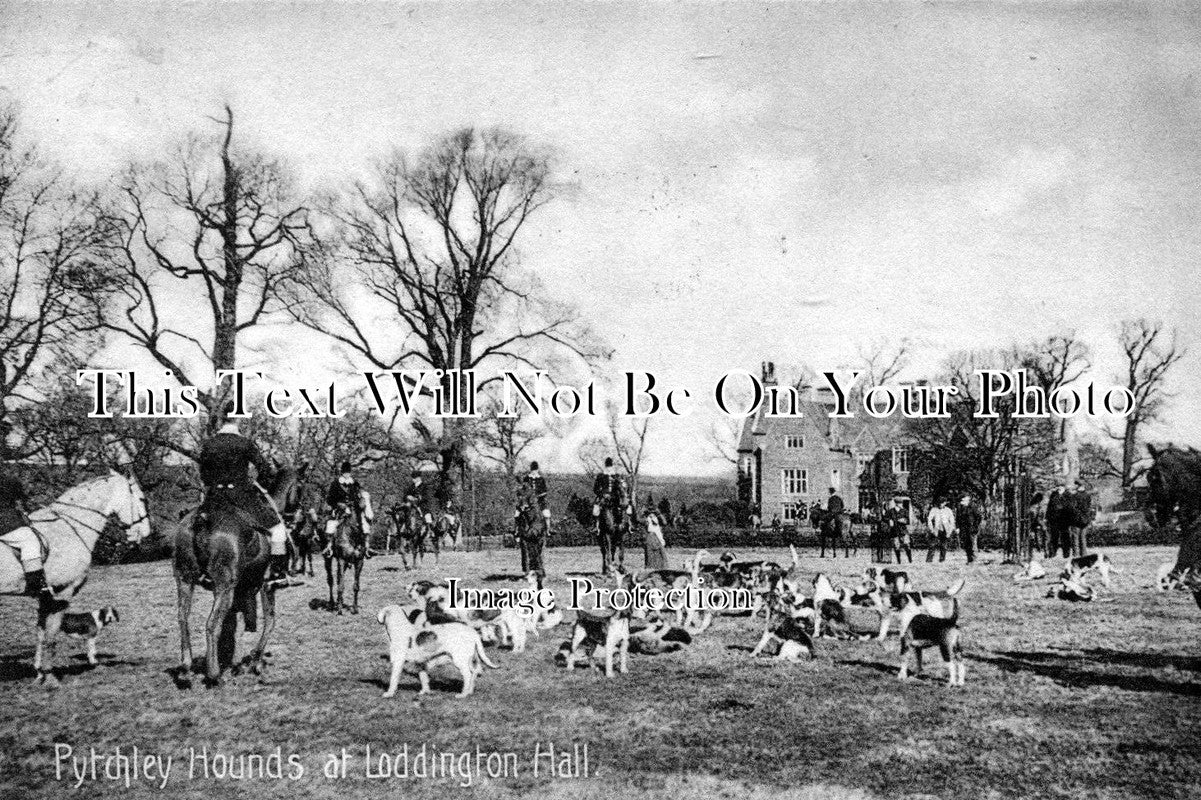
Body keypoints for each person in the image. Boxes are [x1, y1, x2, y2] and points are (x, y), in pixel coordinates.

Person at [196, 404, 291, 587]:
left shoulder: (209, 444)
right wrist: (256, 482)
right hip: (242, 497)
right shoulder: (245, 443)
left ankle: (203, 571)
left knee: (198, 527)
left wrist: (215, 483)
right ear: (238, 419)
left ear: (223, 418)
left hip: (214, 498)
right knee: (278, 529)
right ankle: (278, 573)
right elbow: (265, 470)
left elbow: (204, 475)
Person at [0, 469, 55, 600]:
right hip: (5, 522)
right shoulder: (8, 480)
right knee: (29, 539)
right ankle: (36, 586)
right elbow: (22, 501)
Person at [515, 460, 551, 577]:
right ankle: (516, 531)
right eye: (533, 470)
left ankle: (548, 529)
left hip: (539, 502)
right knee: (517, 514)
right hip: (527, 502)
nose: (534, 472)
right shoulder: (526, 478)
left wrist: (538, 496)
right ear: (531, 469)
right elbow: (523, 490)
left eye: (535, 470)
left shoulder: (541, 479)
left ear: (537, 469)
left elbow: (544, 492)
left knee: (547, 514)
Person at [324, 462, 365, 555]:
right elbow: (330, 499)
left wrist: (359, 502)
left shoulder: (355, 484)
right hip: (339, 509)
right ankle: (329, 546)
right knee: (331, 524)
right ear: (342, 472)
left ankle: (364, 546)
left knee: (363, 523)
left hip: (353, 508)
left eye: (348, 472)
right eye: (345, 472)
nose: (347, 474)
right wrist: (340, 505)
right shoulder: (335, 484)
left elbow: (358, 496)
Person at [1046, 482, 1071, 559]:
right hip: (1054, 519)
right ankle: (1053, 553)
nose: (1059, 487)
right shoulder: (1053, 495)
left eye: (1061, 486)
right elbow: (1049, 506)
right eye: (1058, 486)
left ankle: (1066, 554)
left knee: (1065, 537)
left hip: (1064, 520)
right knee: (1054, 537)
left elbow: (1070, 507)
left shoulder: (1068, 495)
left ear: (1064, 487)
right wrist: (1047, 517)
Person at [926, 497, 955, 563]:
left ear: (945, 503)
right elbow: (929, 520)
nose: (940, 504)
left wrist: (949, 532)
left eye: (942, 503)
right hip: (936, 529)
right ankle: (929, 560)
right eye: (939, 503)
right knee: (932, 545)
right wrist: (932, 529)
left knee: (944, 546)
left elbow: (952, 521)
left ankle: (942, 560)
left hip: (945, 530)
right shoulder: (934, 509)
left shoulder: (948, 510)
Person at [1068, 481, 1093, 557]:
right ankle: (1084, 555)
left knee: (1075, 538)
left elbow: (1072, 509)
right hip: (1085, 520)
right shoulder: (1088, 496)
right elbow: (1089, 508)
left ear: (1078, 486)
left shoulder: (1074, 496)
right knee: (1083, 538)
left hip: (1076, 520)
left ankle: (1076, 555)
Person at [955, 492, 982, 564]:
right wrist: (957, 527)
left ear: (967, 499)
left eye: (962, 500)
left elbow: (979, 517)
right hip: (964, 528)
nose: (961, 502)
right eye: (961, 500)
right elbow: (957, 518)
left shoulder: (973, 506)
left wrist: (975, 526)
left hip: (972, 528)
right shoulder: (959, 507)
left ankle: (974, 560)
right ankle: (969, 560)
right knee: (967, 544)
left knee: (973, 544)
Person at [885, 496, 911, 563]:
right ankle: (898, 561)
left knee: (907, 545)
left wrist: (904, 520)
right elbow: (885, 518)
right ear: (896, 504)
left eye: (901, 503)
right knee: (896, 546)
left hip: (903, 530)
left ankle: (910, 560)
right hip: (894, 531)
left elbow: (908, 521)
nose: (901, 505)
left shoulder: (904, 511)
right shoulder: (891, 511)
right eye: (900, 503)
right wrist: (889, 521)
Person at [1026, 491, 1046, 560]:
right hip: (1036, 524)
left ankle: (1040, 549)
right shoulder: (1035, 507)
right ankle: (1039, 550)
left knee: (1038, 537)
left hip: (1036, 524)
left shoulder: (1035, 507)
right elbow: (1035, 516)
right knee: (1037, 537)